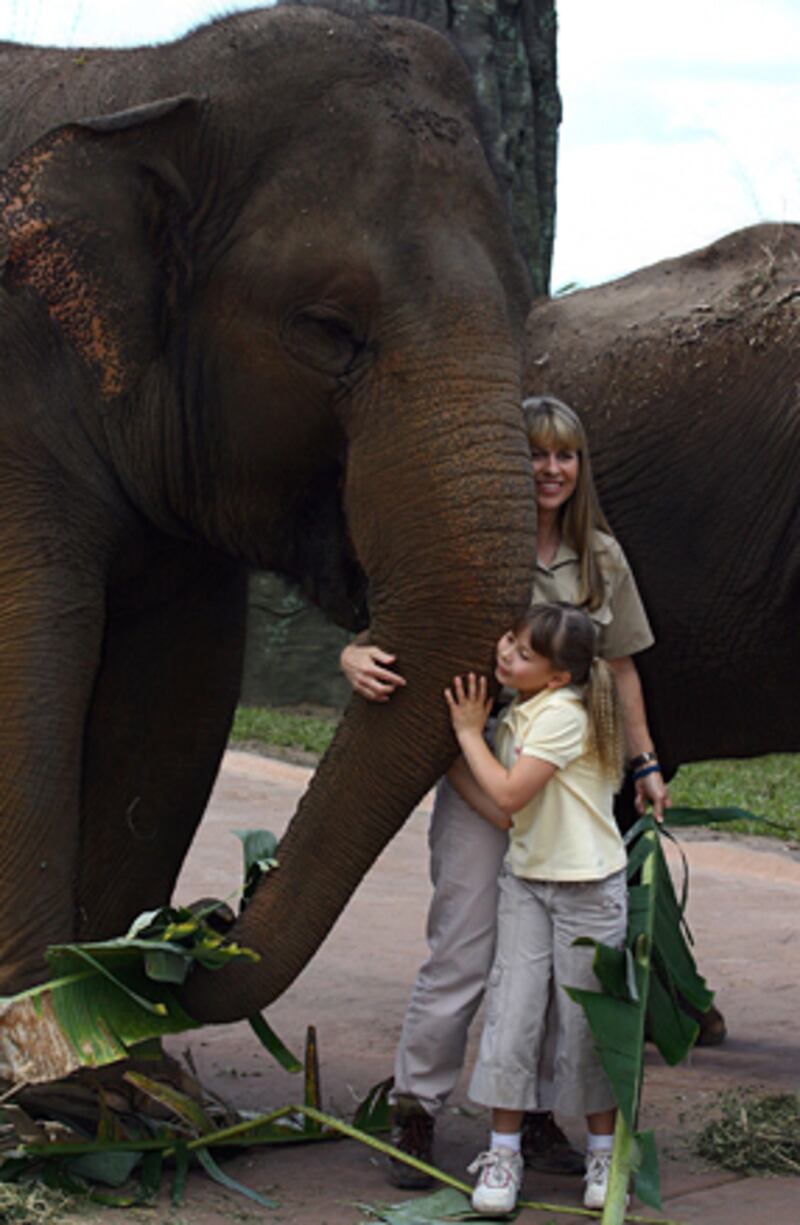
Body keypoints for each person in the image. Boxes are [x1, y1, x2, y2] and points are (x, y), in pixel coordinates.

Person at [340, 396, 669, 1186]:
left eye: (565, 455)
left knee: (562, 964)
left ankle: (545, 1118)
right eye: (534, 454)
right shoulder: (474, 543)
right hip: (480, 772)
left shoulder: (601, 558)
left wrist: (647, 761)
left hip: (566, 790)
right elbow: (396, 627)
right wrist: (353, 654)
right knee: (464, 945)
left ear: (581, 467)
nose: (551, 470)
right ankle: (417, 1105)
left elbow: (621, 665)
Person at [446, 602, 629, 1214]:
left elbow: (507, 790)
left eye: (524, 653)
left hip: (588, 891)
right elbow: (505, 814)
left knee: (588, 1026)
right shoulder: (522, 711)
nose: (505, 653)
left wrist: (467, 734)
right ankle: (503, 1152)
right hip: (526, 882)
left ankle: (605, 1153)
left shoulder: (562, 715)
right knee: (512, 1014)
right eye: (509, 640)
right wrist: (452, 761)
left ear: (556, 676)